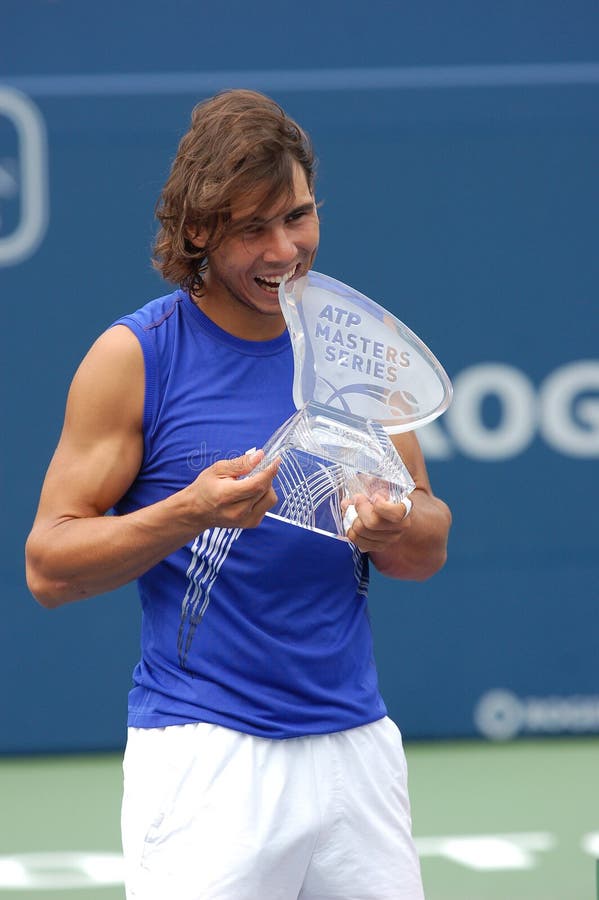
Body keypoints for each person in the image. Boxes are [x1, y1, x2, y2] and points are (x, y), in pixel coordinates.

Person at [26, 89, 451, 900]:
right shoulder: (136, 356)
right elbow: (48, 567)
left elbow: (426, 544)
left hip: (356, 754)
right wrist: (190, 511)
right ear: (198, 230)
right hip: (206, 760)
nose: (284, 249)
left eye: (297, 216)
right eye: (253, 228)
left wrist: (390, 522)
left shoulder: (354, 352)